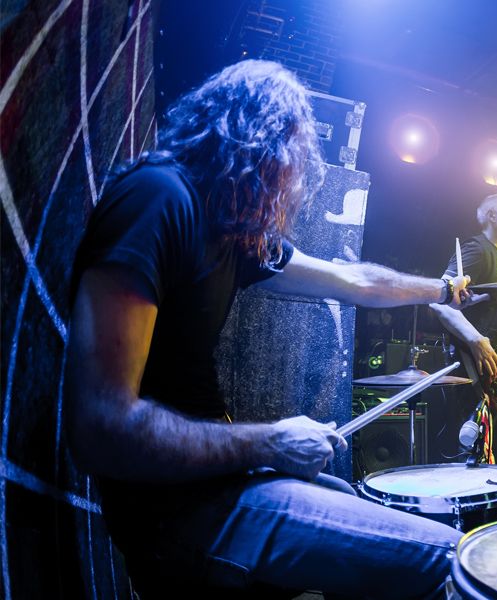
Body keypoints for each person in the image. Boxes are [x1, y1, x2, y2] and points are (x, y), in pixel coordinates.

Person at [65, 60, 474, 598]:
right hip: (177, 510)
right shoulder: (158, 199)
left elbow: (351, 279)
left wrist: (443, 291)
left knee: (370, 512)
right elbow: (101, 425)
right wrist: (270, 441)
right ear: (263, 146)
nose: (295, 188)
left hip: (220, 489)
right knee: (454, 559)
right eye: (295, 166)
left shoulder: (231, 229)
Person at [429, 193, 497, 473]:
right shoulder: (478, 249)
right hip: (479, 372)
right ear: (491, 215)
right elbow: (438, 298)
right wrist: (475, 339)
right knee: (474, 450)